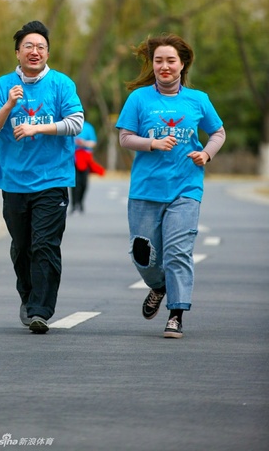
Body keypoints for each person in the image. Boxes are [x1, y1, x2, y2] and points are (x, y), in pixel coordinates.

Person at [116, 33, 226, 339]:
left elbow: (218, 133)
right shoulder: (139, 99)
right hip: (145, 189)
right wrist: (152, 142)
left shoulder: (198, 100)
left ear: (182, 64)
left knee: (178, 252)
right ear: (152, 64)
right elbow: (125, 138)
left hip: (185, 188)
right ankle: (159, 285)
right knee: (142, 254)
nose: (164, 66)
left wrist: (206, 153)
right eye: (158, 60)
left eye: (171, 61)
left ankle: (176, 313)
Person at [0, 20, 84, 334]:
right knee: (21, 246)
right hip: (13, 181)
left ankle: (41, 309)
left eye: (40, 46)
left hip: (52, 180)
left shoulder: (61, 84)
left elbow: (76, 123)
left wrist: (38, 127)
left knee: (44, 244)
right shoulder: (2, 86)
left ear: (47, 52)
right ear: (17, 52)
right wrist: (10, 105)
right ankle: (28, 297)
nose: (35, 51)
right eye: (28, 46)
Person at [70, 120, 104, 213]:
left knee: (84, 183)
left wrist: (83, 143)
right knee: (75, 182)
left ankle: (80, 202)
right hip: (73, 158)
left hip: (85, 159)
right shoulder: (70, 125)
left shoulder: (88, 127)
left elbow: (93, 142)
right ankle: (74, 205)